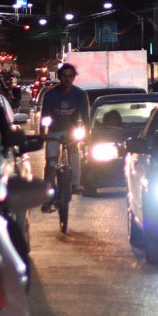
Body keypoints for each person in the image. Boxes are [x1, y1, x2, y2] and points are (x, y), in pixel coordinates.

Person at [39, 63, 89, 211]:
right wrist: (43, 132)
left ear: (74, 78)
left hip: (71, 131)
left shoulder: (80, 94)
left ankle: (75, 183)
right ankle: (47, 197)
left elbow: (85, 117)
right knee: (51, 164)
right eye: (64, 76)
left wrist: (87, 134)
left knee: (74, 153)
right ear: (59, 77)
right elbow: (45, 116)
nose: (67, 80)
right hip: (54, 131)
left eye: (70, 76)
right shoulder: (50, 95)